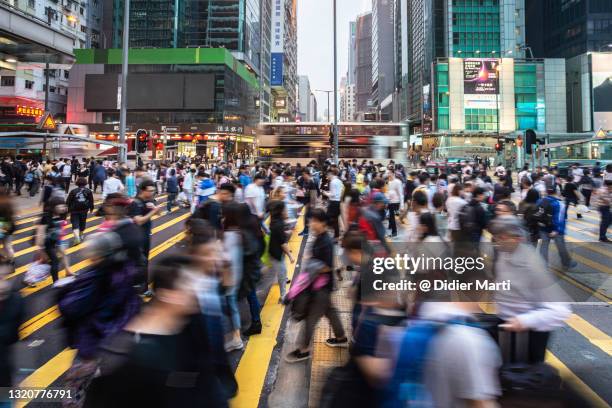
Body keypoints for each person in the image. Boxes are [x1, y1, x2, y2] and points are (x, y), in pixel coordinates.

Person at [84, 255, 237, 408]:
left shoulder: (192, 322)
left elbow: (203, 378)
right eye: (187, 285)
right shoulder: (130, 350)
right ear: (167, 295)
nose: (196, 290)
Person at [489, 217, 571, 363]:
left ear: (517, 238)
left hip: (529, 334)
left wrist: (524, 321)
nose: (497, 240)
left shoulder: (532, 265)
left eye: (502, 237)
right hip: (507, 326)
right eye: (496, 236)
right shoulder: (504, 254)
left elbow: (559, 310)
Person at [285, 209, 347, 363]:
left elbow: (327, 266)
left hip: (321, 288)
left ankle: (304, 350)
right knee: (330, 312)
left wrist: (312, 267)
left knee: (310, 318)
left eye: (314, 221)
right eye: (310, 220)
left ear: (323, 223)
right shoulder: (321, 238)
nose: (311, 223)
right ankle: (341, 337)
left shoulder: (325, 242)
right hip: (322, 286)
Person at [128, 180, 161, 293]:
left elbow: (158, 213)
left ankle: (143, 287)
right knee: (139, 262)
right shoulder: (136, 203)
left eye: (153, 190)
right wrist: (153, 211)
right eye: (150, 191)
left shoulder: (150, 200)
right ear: (143, 190)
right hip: (137, 236)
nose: (152, 193)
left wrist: (155, 209)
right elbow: (138, 221)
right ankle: (139, 287)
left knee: (144, 262)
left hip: (146, 235)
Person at [537, 185, 577, 269]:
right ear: (557, 192)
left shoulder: (540, 201)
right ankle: (567, 263)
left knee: (544, 246)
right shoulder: (559, 203)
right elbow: (559, 219)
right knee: (561, 246)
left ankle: (542, 266)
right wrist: (556, 230)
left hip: (543, 227)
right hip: (556, 230)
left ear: (547, 192)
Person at [34, 197, 71, 282]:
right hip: (47, 243)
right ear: (53, 207)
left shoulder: (60, 215)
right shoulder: (46, 216)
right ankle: (56, 281)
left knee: (53, 260)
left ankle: (63, 274)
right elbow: (40, 232)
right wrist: (40, 247)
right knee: (55, 261)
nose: (63, 208)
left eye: (64, 206)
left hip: (56, 242)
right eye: (60, 206)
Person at [268, 200, 295, 301]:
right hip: (276, 253)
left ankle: (283, 294)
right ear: (280, 211)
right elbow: (282, 243)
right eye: (285, 209)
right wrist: (290, 256)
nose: (286, 211)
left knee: (281, 272)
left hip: (275, 251)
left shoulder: (276, 221)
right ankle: (283, 296)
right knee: (282, 274)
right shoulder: (278, 224)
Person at [66, 177, 95, 246]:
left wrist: (68, 210)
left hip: (74, 210)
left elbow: (68, 201)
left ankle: (77, 237)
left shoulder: (73, 191)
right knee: (82, 222)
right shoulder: (88, 191)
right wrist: (91, 209)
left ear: (77, 183)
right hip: (84, 210)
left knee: (75, 224)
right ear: (85, 183)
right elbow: (91, 201)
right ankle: (81, 235)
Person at [323, 169, 344, 240]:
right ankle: (336, 236)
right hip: (338, 202)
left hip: (334, 202)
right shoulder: (339, 181)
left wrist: (325, 193)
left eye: (327, 175)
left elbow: (333, 194)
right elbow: (339, 191)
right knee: (335, 220)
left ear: (330, 174)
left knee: (328, 218)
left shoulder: (332, 182)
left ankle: (327, 235)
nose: (327, 177)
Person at [385, 171, 403, 237]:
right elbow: (387, 191)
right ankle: (392, 228)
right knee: (391, 217)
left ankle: (394, 232)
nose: (388, 174)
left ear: (393, 174)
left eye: (389, 173)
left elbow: (401, 194)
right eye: (387, 173)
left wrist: (402, 205)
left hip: (396, 202)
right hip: (390, 201)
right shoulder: (388, 182)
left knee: (392, 217)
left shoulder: (398, 182)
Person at [0, 192, 15, 262]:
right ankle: (11, 259)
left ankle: (4, 258)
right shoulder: (7, 202)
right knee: (8, 245)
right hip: (9, 225)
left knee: (6, 244)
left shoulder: (1, 203)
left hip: (2, 226)